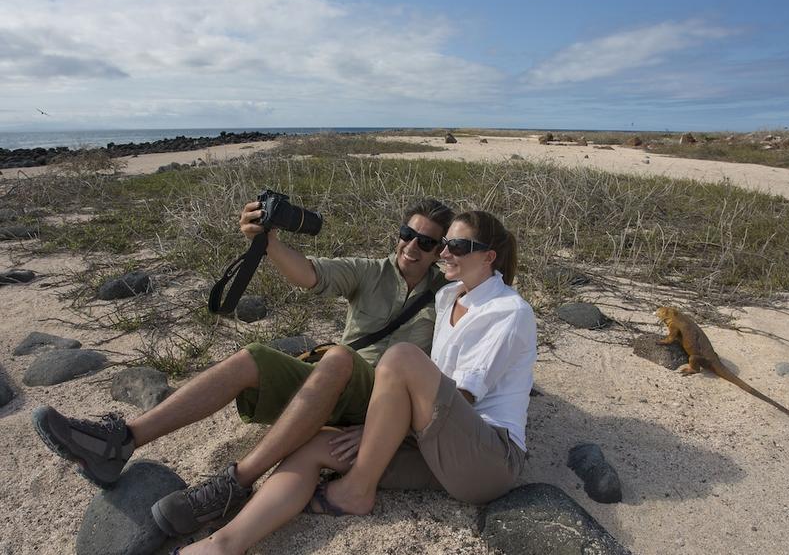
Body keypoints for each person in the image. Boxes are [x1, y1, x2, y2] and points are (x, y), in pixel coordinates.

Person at [32, 197, 454, 537]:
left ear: (440, 251)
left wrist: (386, 425)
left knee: (339, 356)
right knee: (255, 355)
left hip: (382, 399)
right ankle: (122, 441)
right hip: (335, 382)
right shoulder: (370, 271)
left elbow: (453, 374)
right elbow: (308, 274)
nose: (412, 247)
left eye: (426, 242)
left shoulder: (447, 296)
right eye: (406, 234)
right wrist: (267, 242)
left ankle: (235, 483)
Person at [176, 210, 538, 555]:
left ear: (489, 256)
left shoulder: (508, 310)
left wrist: (378, 429)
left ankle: (357, 490)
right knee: (318, 447)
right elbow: (316, 275)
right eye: (445, 243)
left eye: (457, 247)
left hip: (488, 458)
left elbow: (462, 395)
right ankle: (226, 543)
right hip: (438, 451)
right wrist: (268, 240)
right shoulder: (447, 295)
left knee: (402, 357)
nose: (444, 252)